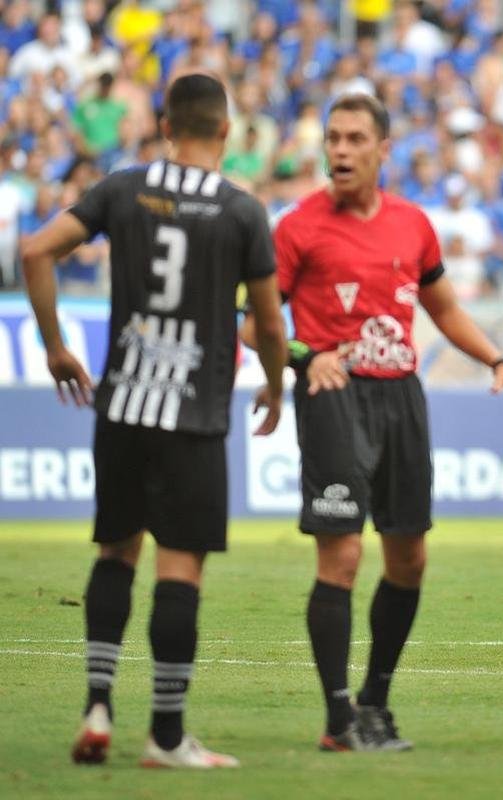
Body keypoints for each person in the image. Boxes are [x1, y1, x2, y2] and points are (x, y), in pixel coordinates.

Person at [246, 92, 503, 753]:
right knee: (344, 553)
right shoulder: (297, 227)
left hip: (401, 398)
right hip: (333, 396)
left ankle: (374, 705)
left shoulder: (413, 225)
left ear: (383, 150)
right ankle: (336, 719)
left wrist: (496, 359)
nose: (340, 151)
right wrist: (305, 356)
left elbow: (443, 310)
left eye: (355, 139)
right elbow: (253, 324)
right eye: (333, 138)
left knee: (408, 557)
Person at [20, 72, 288, 768]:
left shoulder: (121, 188)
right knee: (180, 568)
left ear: (165, 126)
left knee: (115, 552)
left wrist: (55, 346)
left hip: (122, 408)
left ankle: (98, 707)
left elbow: (33, 252)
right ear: (225, 132)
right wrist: (276, 388)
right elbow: (267, 320)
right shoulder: (240, 210)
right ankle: (166, 736)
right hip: (194, 416)